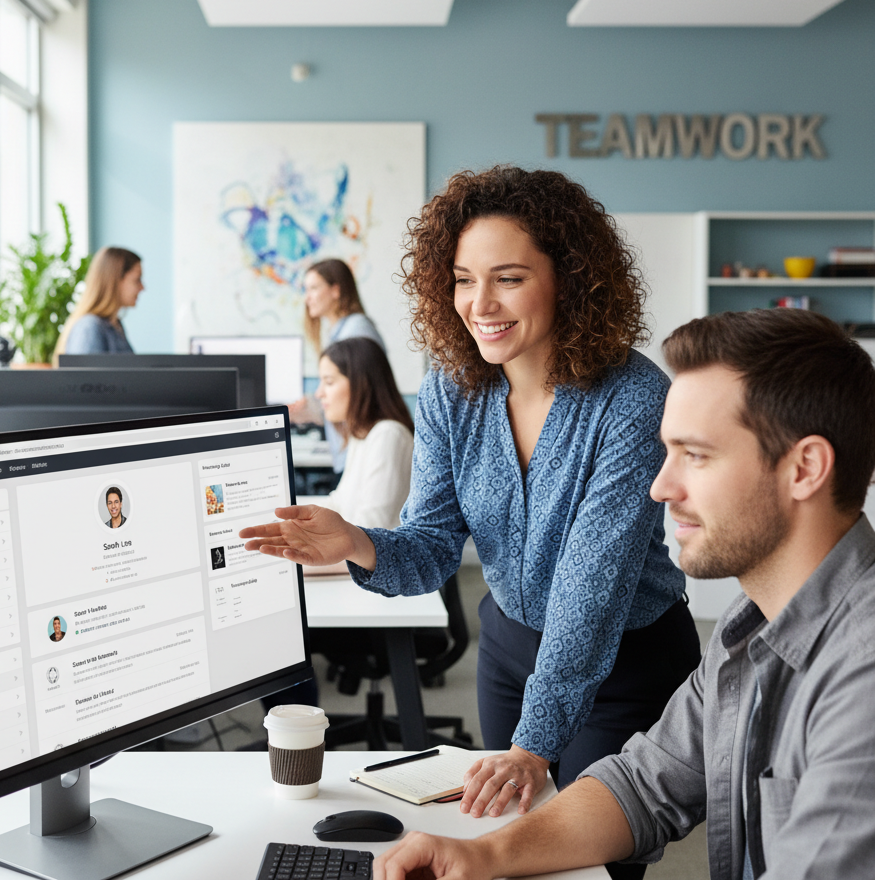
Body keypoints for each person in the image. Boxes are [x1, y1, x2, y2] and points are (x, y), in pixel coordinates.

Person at [243, 167, 700, 880]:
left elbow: (591, 592)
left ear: (571, 279)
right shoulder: (453, 391)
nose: (479, 304)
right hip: (509, 651)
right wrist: (358, 542)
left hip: (624, 663)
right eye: (462, 280)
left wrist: (533, 746)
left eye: (508, 279)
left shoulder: (634, 399)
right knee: (495, 850)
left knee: (583, 867)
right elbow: (430, 547)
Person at [373, 308, 875, 880]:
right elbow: (641, 785)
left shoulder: (862, 676)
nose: (660, 487)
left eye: (696, 455)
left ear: (805, 468)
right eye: (668, 452)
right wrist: (482, 855)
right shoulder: (748, 628)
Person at [293, 258, 384, 473]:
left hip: (357, 454)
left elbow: (358, 397)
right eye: (306, 290)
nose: (307, 298)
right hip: (348, 452)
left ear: (335, 290)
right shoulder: (340, 331)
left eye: (314, 288)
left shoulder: (355, 333)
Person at [313, 337, 414, 530]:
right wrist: (291, 516)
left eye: (329, 382)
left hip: (371, 550)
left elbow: (372, 527)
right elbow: (338, 503)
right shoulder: (362, 434)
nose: (319, 393)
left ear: (360, 384)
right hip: (354, 547)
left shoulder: (388, 435)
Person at [54, 246, 143, 359]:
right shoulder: (90, 328)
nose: (142, 287)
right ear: (115, 281)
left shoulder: (115, 326)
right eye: (137, 280)